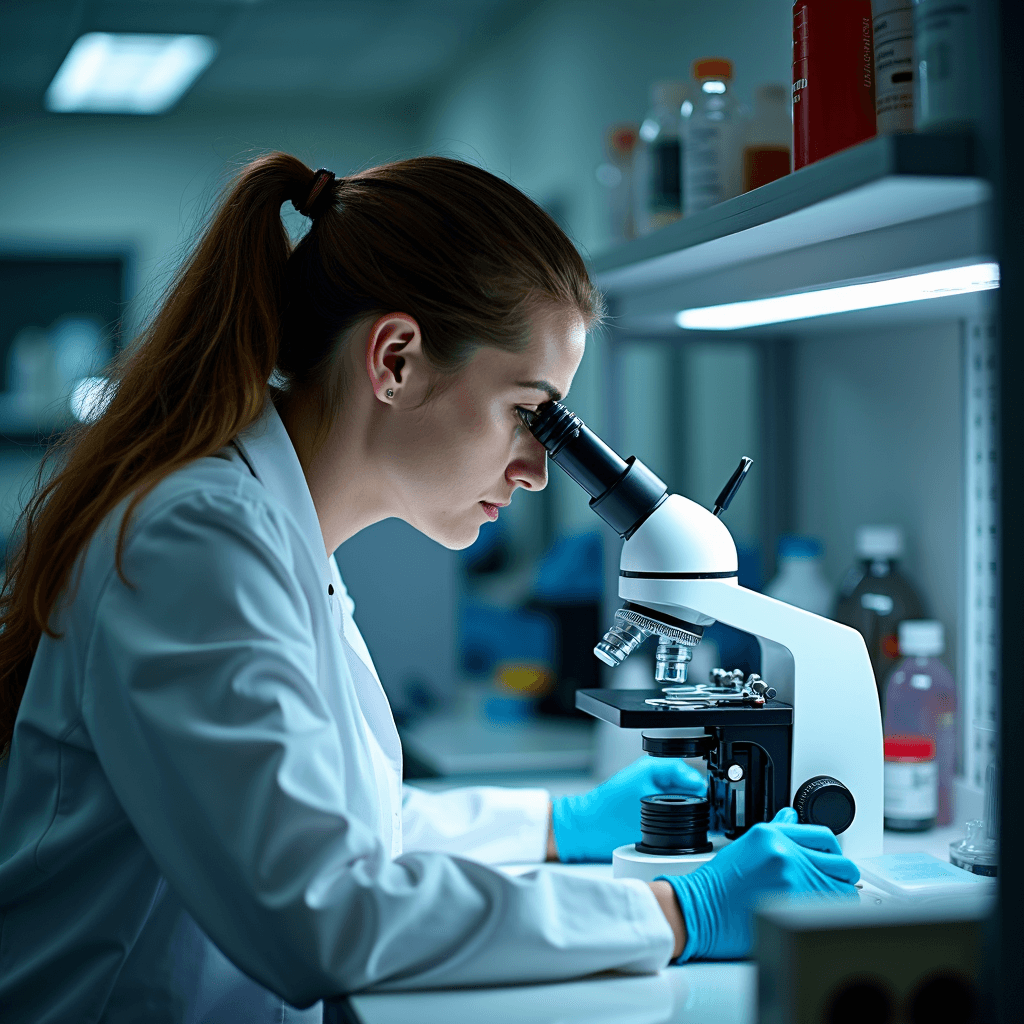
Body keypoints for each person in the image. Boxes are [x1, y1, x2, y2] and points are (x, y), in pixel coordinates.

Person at [0, 154, 858, 1023]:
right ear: (397, 360)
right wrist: (679, 912)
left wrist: (562, 825)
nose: (536, 470)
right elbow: (321, 912)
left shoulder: (265, 528)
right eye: (530, 413)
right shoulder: (198, 541)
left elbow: (334, 824)